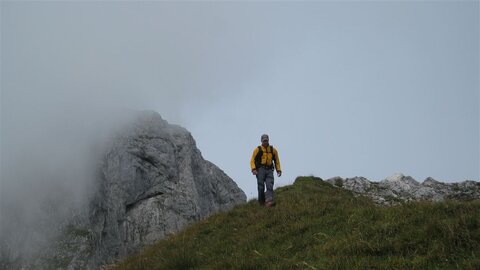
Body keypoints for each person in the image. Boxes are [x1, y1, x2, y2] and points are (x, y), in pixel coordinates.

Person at [250, 134, 282, 207]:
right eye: (264, 140)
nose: (265, 142)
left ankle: (269, 201)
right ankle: (261, 202)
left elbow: (277, 160)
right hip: (260, 170)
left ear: (268, 140)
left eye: (266, 140)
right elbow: (252, 160)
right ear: (261, 141)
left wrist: (278, 170)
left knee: (269, 185)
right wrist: (253, 169)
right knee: (261, 187)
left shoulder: (273, 150)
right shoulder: (257, 150)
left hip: (269, 170)